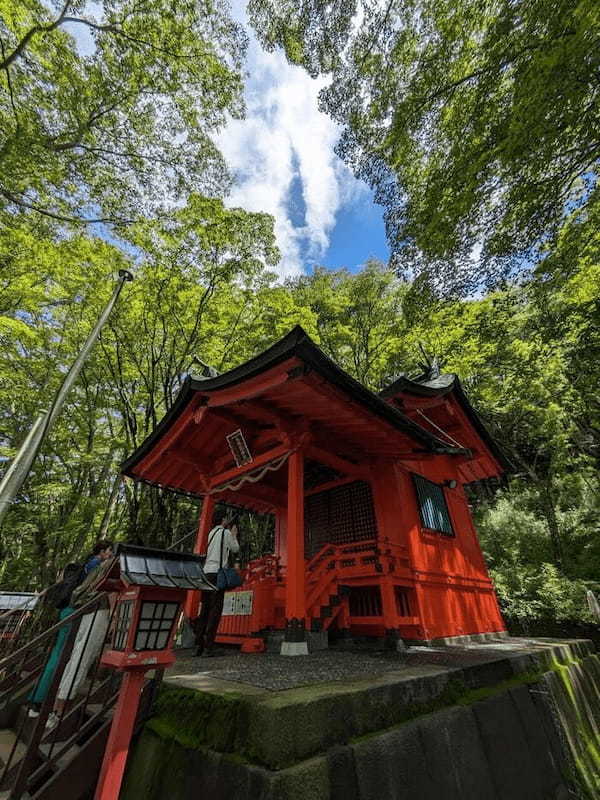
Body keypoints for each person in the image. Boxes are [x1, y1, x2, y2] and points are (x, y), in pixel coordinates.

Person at [46, 540, 114, 731]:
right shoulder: (109, 566)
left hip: (86, 612)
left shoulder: (97, 565)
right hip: (98, 613)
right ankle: (60, 709)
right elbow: (110, 591)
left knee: (76, 657)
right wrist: (115, 618)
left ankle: (57, 707)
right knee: (81, 658)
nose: (109, 553)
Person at [28, 563, 84, 717]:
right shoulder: (88, 570)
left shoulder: (71, 574)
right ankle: (39, 701)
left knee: (57, 653)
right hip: (73, 613)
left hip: (64, 611)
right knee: (60, 656)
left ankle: (37, 699)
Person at [194, 513, 239, 657]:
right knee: (215, 610)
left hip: (206, 574)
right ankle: (209, 647)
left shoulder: (210, 534)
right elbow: (235, 549)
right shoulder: (225, 533)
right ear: (223, 520)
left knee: (205, 610)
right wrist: (233, 535)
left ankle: (199, 646)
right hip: (217, 574)